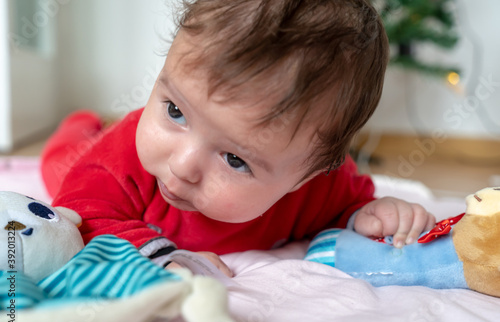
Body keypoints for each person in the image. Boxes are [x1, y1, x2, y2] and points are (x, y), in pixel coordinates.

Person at [41, 0, 435, 277]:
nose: (182, 164)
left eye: (234, 159)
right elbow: (83, 215)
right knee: (58, 161)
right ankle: (80, 124)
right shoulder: (126, 153)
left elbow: (350, 204)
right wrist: (157, 261)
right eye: (175, 111)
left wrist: (369, 214)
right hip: (89, 160)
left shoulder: (321, 187)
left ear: (307, 176)